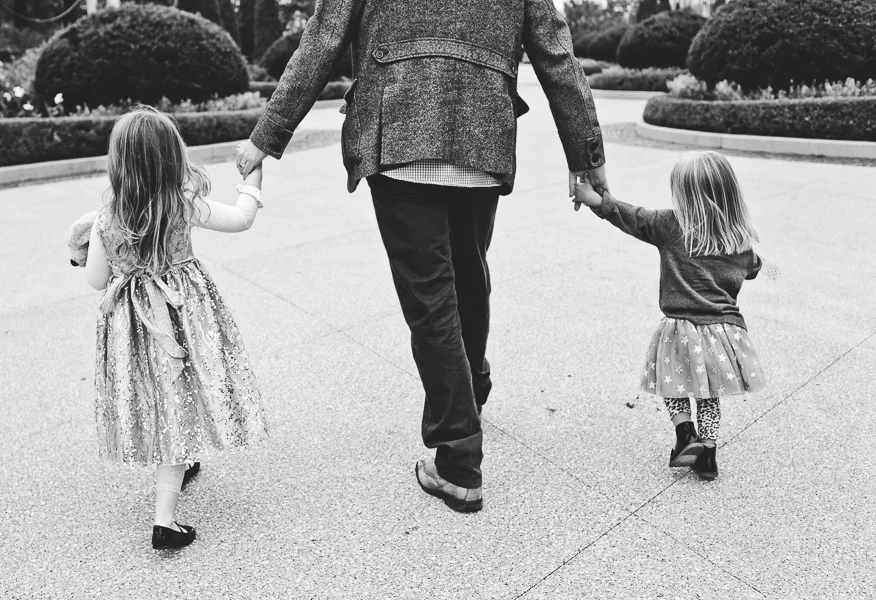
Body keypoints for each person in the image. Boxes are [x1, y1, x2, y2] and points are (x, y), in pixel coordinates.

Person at [235, 0, 607, 512]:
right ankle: (470, 389)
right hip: (482, 138)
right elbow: (557, 56)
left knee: (430, 295)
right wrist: (587, 155)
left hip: (399, 134)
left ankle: (458, 461)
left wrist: (266, 136)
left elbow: (323, 39)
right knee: (470, 275)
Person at [85, 107, 270, 548]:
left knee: (161, 397)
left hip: (133, 326)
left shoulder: (105, 218)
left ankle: (182, 459)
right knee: (178, 397)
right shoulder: (181, 204)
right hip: (183, 318)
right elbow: (242, 218)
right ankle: (164, 522)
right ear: (172, 157)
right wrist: (254, 179)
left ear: (118, 161)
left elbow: (95, 280)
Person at [574, 151, 767, 481]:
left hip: (681, 330)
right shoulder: (740, 242)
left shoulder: (669, 225)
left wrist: (593, 198)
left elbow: (630, 216)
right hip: (722, 334)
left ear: (684, 195)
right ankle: (707, 456)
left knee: (672, 384)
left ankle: (684, 433)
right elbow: (753, 269)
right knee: (708, 396)